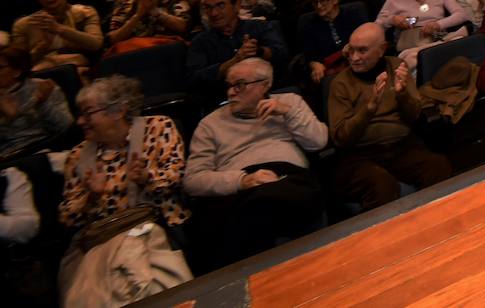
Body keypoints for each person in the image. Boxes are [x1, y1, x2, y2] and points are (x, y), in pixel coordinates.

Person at [184, 56, 327, 270]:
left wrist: (288, 112)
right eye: (229, 85)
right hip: (238, 188)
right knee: (255, 210)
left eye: (239, 85)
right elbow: (193, 180)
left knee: (270, 204)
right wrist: (242, 180)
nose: (231, 92)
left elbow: (319, 141)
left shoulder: (290, 102)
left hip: (288, 179)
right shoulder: (210, 124)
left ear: (265, 85)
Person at [58, 76, 190, 298]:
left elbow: (175, 180)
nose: (80, 121)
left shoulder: (158, 128)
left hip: (154, 226)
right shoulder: (79, 155)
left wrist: (146, 178)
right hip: (102, 240)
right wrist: (90, 196)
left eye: (88, 113)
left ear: (118, 111)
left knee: (145, 282)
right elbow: (67, 218)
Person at [327, 23, 451, 210]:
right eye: (351, 50)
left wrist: (402, 96)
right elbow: (341, 138)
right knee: (382, 185)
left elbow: (414, 116)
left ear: (381, 50)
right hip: (361, 156)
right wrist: (368, 109)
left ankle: (435, 223)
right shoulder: (341, 84)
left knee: (438, 166)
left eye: (362, 51)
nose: (354, 57)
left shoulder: (397, 67)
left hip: (401, 147)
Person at [187, 0, 288, 102]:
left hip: (269, 96)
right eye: (208, 7)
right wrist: (235, 60)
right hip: (225, 101)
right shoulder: (200, 42)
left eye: (220, 5)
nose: (214, 13)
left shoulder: (260, 27)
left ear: (236, 5)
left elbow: (282, 54)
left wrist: (258, 51)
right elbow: (195, 79)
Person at [375, 0, 478, 68]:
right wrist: (392, 20)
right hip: (411, 42)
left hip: (437, 36)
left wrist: (438, 24)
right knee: (412, 59)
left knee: (462, 43)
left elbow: (461, 15)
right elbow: (377, 26)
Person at [12, 0, 105, 72]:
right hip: (41, 75)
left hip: (81, 70)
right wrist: (42, 47)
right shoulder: (23, 25)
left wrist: (58, 28)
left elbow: (96, 44)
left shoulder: (85, 12)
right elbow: (17, 63)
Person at [0, 46, 75, 160]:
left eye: (0, 67)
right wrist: (8, 118)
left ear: (17, 71)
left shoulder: (42, 87)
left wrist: (43, 103)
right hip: (8, 156)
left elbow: (67, 127)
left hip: (42, 149)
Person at [295, 0, 366, 89]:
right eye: (314, 1)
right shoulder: (306, 22)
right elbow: (309, 53)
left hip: (357, 60)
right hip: (330, 70)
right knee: (328, 82)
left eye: (323, 0)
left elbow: (366, 39)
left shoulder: (354, 12)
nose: (318, 6)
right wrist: (314, 64)